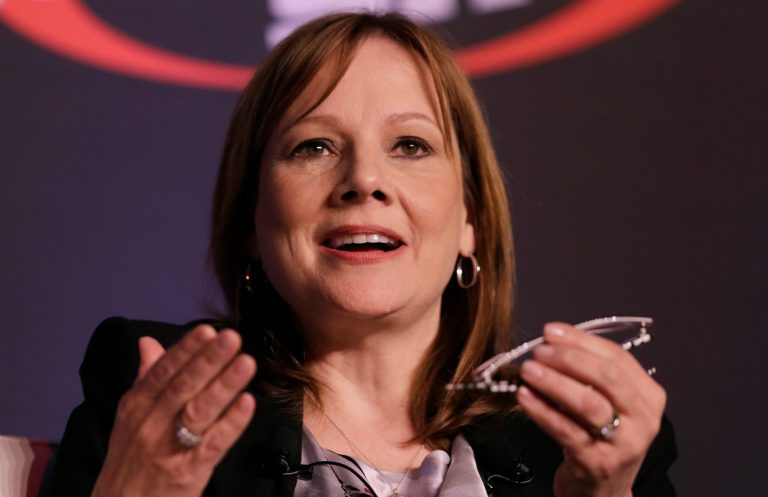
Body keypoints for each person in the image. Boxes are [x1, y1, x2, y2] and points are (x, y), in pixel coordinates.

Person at [43, 11, 676, 497]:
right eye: (313, 146)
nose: (364, 179)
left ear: (470, 223)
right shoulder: (156, 394)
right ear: (250, 224)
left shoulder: (577, 446)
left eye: (410, 145)